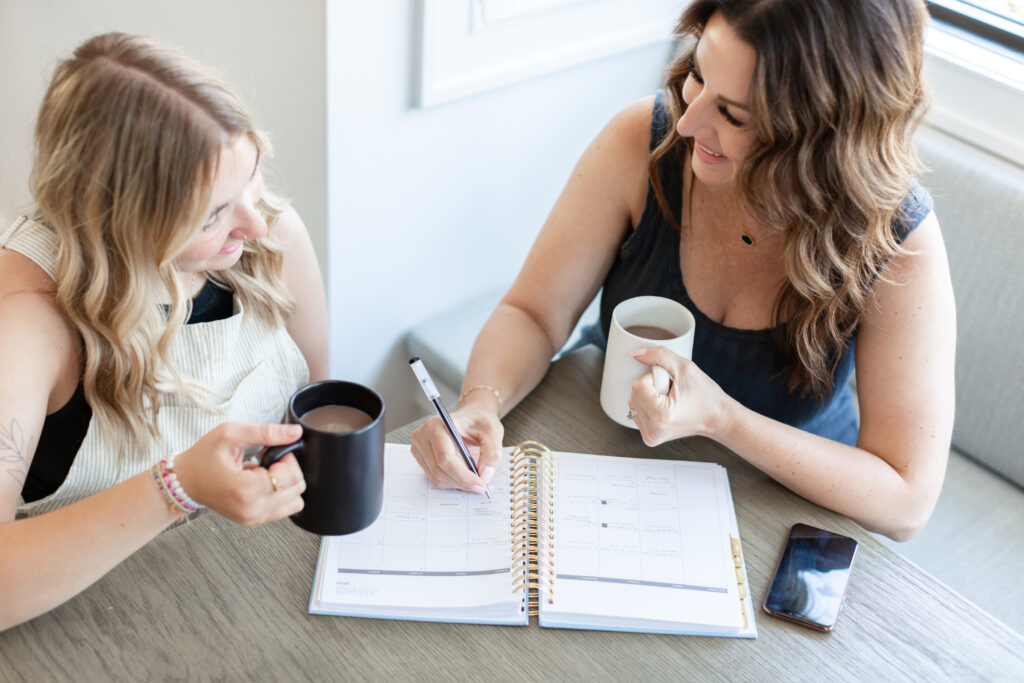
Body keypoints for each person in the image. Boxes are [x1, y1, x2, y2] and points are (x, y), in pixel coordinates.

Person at [410, 0, 955, 541]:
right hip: (605, 460)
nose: (689, 121)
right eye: (698, 73)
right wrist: (480, 401)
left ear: (823, 139)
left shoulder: (899, 244)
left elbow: (907, 501)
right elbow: (531, 313)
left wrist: (722, 418)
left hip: (780, 506)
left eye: (734, 114)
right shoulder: (641, 141)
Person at [0, 32, 328, 630]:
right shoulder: (26, 321)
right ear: (116, 221)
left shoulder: (271, 237)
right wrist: (174, 488)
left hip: (249, 593)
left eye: (251, 177)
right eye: (212, 215)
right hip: (79, 628)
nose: (255, 223)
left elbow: (320, 415)